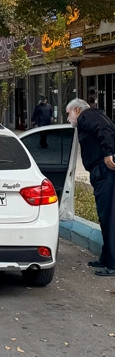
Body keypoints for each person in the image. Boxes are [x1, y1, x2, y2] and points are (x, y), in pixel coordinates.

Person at [67, 98, 115, 277]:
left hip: (105, 171)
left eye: (68, 113)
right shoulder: (89, 118)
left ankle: (112, 264)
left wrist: (108, 152)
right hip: (100, 171)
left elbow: (105, 129)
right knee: (104, 216)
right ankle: (106, 257)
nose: (67, 118)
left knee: (109, 216)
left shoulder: (88, 115)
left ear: (77, 110)